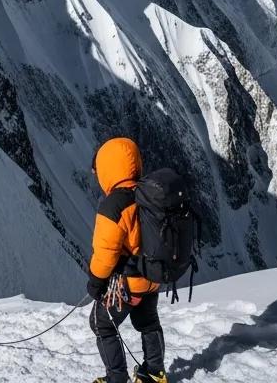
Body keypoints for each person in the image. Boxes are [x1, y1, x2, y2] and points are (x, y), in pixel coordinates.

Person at [87, 138, 167, 383]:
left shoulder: (114, 205)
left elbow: (106, 252)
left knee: (102, 324)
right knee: (148, 321)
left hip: (127, 283)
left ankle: (117, 378)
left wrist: (95, 282)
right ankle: (155, 373)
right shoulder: (149, 194)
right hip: (153, 276)